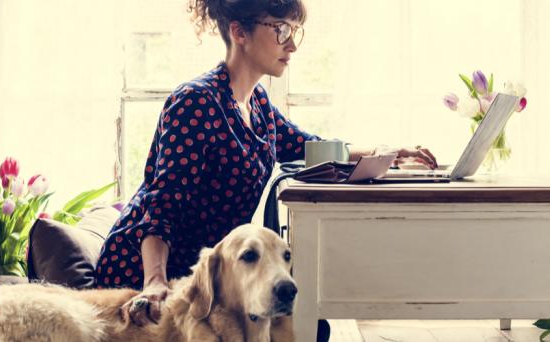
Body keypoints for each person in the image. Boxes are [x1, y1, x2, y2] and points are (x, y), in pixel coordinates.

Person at [94, 0, 438, 340]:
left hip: (215, 276)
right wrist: (154, 281)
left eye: (294, 32)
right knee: (307, 330)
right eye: (281, 30)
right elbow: (161, 206)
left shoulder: (257, 104)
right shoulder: (195, 102)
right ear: (239, 32)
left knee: (311, 327)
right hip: (148, 270)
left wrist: (387, 153)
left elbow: (310, 147)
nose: (291, 45)